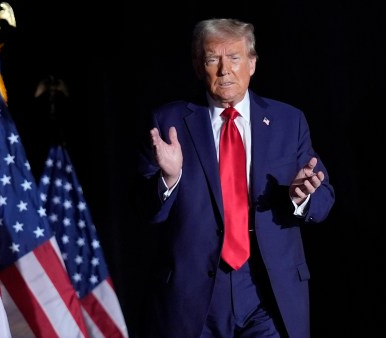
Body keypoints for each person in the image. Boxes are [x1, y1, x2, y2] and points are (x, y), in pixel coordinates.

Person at [136, 18, 335, 338]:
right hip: (196, 292)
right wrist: (168, 179)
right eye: (213, 59)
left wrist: (301, 197)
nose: (224, 69)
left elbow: (324, 199)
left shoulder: (288, 120)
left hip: (268, 288)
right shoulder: (169, 121)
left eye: (235, 58)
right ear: (198, 66)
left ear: (253, 63)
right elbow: (142, 210)